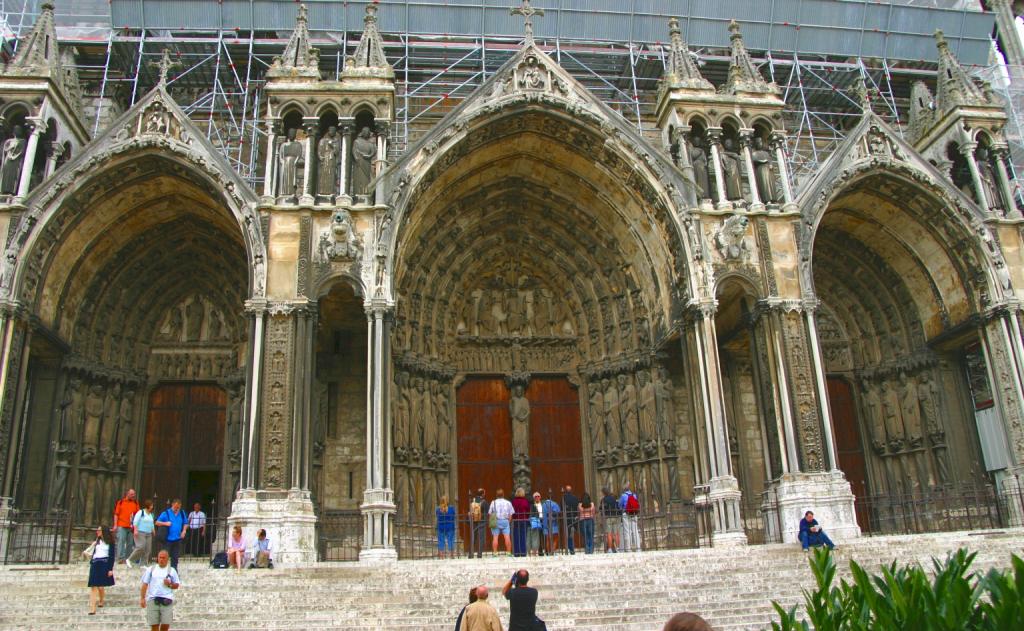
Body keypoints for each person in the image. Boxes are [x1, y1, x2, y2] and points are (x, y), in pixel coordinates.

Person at [140, 549, 181, 631]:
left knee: (166, 624)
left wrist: (169, 584)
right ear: (157, 558)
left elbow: (177, 585)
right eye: (160, 557)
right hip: (153, 599)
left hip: (167, 599)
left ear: (167, 559)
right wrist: (142, 598)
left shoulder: (172, 570)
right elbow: (145, 584)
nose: (161, 560)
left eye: (163, 558)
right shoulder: (151, 569)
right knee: (154, 625)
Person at [87, 526, 116, 615]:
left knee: (100, 586)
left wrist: (110, 569)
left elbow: (111, 556)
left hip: (104, 563)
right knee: (93, 586)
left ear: (103, 531)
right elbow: (94, 552)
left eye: (99, 530)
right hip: (95, 563)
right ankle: (92, 608)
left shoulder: (110, 542)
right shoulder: (97, 541)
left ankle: (101, 600)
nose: (97, 531)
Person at [155, 499, 187, 569]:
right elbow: (157, 522)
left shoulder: (182, 513)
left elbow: (185, 523)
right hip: (168, 539)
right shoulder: (166, 513)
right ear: (172, 505)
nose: (177, 509)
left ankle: (174, 572)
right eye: (175, 507)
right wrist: (166, 523)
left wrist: (184, 531)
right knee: (164, 556)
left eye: (178, 507)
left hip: (177, 538)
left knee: (175, 557)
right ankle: (160, 570)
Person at [113, 488, 140, 562]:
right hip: (121, 525)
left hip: (131, 526)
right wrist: (115, 525)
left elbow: (138, 515)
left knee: (130, 543)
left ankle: (128, 559)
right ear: (127, 494)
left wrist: (136, 526)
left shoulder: (135, 503)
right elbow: (116, 514)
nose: (133, 496)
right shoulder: (121, 502)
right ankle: (120, 558)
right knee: (121, 541)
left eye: (134, 494)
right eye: (131, 494)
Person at [127, 499, 155, 567]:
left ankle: (143, 563)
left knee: (147, 549)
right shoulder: (141, 512)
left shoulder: (151, 514)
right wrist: (135, 530)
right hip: (140, 532)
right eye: (151, 505)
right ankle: (130, 559)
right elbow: (135, 521)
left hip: (148, 533)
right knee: (141, 547)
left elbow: (151, 523)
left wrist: (153, 530)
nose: (152, 507)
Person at [488, 488, 514, 556]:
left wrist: (491, 520)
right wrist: (509, 521)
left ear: (496, 495)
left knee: (495, 537)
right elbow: (511, 514)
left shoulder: (493, 502)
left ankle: (495, 553)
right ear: (503, 494)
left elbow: (490, 513)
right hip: (505, 521)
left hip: (496, 521)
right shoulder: (508, 502)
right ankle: (508, 552)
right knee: (507, 537)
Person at [618, 483, 641, 553]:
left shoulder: (623, 496)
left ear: (624, 490)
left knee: (627, 531)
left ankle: (628, 548)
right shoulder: (634, 495)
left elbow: (619, 505)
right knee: (635, 531)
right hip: (634, 514)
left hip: (626, 514)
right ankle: (638, 548)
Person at [468, 488, 489, 559]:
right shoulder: (484, 502)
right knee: (481, 538)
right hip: (481, 521)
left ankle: (470, 554)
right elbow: (487, 512)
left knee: (473, 538)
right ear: (483, 494)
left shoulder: (473, 501)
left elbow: (470, 512)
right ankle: (479, 554)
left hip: (474, 521)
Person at [510, 487, 530, 557]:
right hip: (524, 520)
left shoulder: (513, 501)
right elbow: (528, 510)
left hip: (516, 520)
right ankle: (523, 552)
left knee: (516, 536)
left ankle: (516, 552)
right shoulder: (525, 501)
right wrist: (526, 517)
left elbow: (512, 511)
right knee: (523, 536)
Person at [599, 487, 620, 553]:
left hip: (608, 517)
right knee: (616, 533)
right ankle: (618, 548)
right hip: (616, 516)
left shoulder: (603, 500)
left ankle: (610, 549)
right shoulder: (613, 498)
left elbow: (601, 508)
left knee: (609, 534)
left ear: (603, 493)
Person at [561, 485, 579, 554]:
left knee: (568, 534)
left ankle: (570, 548)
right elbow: (577, 506)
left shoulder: (564, 498)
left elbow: (562, 508)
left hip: (567, 518)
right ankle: (572, 548)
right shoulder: (575, 498)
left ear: (565, 490)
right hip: (574, 518)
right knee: (572, 534)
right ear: (571, 490)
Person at [528, 491, 544, 556]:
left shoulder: (543, 504)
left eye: (538, 496)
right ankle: (539, 551)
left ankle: (543, 550)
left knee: (543, 536)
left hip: (543, 520)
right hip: (536, 521)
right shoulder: (532, 505)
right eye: (535, 496)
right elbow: (531, 514)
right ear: (534, 498)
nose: (537, 497)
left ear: (540, 497)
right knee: (537, 536)